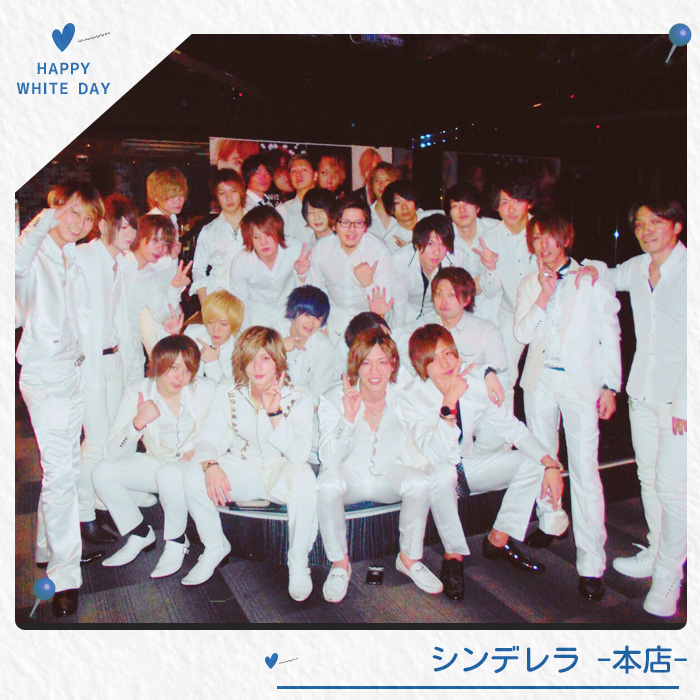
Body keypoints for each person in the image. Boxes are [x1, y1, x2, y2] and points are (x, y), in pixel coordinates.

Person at [402, 325, 567, 598]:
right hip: (430, 474)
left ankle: (498, 539)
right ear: (422, 366)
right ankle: (453, 555)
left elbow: (513, 429)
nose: (445, 363)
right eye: (434, 358)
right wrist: (449, 402)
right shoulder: (411, 398)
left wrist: (550, 463)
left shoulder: (476, 385)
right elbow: (436, 455)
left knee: (532, 462)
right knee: (443, 472)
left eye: (448, 354)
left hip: (465, 467)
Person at [514, 213, 622, 601]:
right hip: (540, 380)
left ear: (565, 239)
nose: (542, 246)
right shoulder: (529, 283)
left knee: (584, 469)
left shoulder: (590, 278)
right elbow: (521, 333)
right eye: (536, 238)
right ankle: (551, 520)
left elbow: (610, 334)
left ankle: (592, 562)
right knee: (543, 457)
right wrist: (542, 296)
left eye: (550, 237)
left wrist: (610, 386)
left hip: (580, 384)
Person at [16, 182, 104, 616]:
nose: (80, 223)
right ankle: (65, 575)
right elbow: (14, 265)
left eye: (87, 217)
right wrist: (40, 223)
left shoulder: (71, 257)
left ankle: (46, 545)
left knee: (64, 466)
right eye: (72, 212)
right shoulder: (33, 255)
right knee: (61, 476)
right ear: (53, 210)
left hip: (73, 373)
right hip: (46, 378)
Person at [184, 327, 318, 600]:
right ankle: (215, 546)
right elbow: (208, 437)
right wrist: (211, 465)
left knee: (305, 477)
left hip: (282, 469)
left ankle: (297, 560)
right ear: (241, 361)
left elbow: (299, 455)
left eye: (266, 359)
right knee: (194, 474)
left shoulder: (300, 397)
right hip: (243, 465)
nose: (257, 367)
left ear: (278, 361)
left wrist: (275, 413)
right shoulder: (228, 392)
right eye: (251, 359)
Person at [601, 198, 686, 617]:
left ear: (677, 226)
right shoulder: (638, 268)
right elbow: (607, 275)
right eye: (639, 223)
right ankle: (656, 549)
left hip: (680, 401)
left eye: (655, 221)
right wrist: (581, 269)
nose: (646, 229)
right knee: (648, 478)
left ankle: (671, 574)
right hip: (643, 392)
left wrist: (686, 401)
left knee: (674, 489)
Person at [317, 328, 443, 603]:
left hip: (387, 473)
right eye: (366, 363)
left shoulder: (403, 396)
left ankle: (409, 558)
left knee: (419, 482)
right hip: (349, 475)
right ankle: (340, 563)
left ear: (393, 364)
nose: (375, 372)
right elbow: (329, 460)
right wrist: (348, 419)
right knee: (326, 483)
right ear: (355, 365)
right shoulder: (332, 397)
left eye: (382, 362)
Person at [92, 336, 216, 578]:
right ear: (159, 364)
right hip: (159, 462)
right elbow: (110, 453)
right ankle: (140, 533)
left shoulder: (205, 389)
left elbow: (227, 429)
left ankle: (177, 541)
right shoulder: (137, 392)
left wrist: (201, 451)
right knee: (102, 473)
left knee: (169, 474)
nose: (180, 377)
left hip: (193, 467)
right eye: (174, 368)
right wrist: (137, 424)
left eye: (188, 370)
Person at [74, 195, 139, 547]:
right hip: (88, 363)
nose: (129, 233)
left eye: (132, 227)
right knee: (96, 441)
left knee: (112, 439)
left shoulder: (123, 263)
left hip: (114, 359)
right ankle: (83, 517)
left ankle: (101, 506)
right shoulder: (83, 257)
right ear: (102, 225)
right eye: (121, 226)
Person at [477, 175, 539, 393]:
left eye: (518, 201)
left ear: (529, 203)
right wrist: (490, 268)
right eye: (504, 202)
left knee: (543, 379)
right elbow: (490, 291)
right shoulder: (489, 238)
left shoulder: (543, 230)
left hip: (545, 314)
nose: (511, 209)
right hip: (510, 314)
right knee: (503, 374)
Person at [306, 196, 393, 344]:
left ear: (365, 226)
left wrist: (368, 283)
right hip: (332, 321)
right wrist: (322, 327)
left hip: (368, 322)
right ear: (334, 225)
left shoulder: (379, 251)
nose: (352, 230)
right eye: (345, 223)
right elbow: (314, 292)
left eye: (358, 223)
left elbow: (383, 305)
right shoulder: (321, 249)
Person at [122, 215, 190, 383]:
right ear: (139, 236)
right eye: (155, 240)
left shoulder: (151, 275)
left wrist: (174, 287)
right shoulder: (119, 263)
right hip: (108, 349)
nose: (161, 248)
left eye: (165, 243)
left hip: (133, 351)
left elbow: (159, 313)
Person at [229, 206, 309, 331]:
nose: (263, 242)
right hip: (256, 315)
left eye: (268, 234)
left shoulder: (295, 248)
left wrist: (302, 275)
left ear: (278, 231)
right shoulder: (241, 263)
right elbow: (240, 303)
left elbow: (309, 289)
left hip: (290, 311)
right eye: (256, 237)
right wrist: (249, 333)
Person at [282, 286, 335, 462]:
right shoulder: (273, 333)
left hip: (305, 410)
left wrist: (296, 420)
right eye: (306, 314)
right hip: (273, 403)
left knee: (317, 444)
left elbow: (317, 393)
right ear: (293, 311)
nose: (311, 323)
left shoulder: (324, 347)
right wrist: (277, 348)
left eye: (318, 318)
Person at [390, 213, 465, 327]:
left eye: (442, 245)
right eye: (430, 244)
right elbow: (399, 304)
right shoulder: (400, 261)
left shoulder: (456, 258)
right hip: (408, 313)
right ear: (417, 244)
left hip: (438, 314)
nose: (437, 252)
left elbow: (455, 299)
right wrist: (398, 333)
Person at [444, 183, 500, 324]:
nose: (462, 210)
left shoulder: (496, 230)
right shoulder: (444, 237)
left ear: (478, 208)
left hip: (496, 311)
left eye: (467, 204)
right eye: (455, 206)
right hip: (459, 313)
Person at [191, 169, 246, 305]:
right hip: (219, 300)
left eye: (233, 191)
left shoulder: (256, 224)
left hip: (251, 300)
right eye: (222, 193)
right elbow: (198, 270)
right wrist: (205, 302)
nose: (229, 198)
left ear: (241, 192)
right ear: (216, 198)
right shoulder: (209, 231)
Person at [182, 289, 245, 382]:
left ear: (234, 324)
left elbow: (229, 388)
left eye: (223, 324)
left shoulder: (240, 350)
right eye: (210, 322)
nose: (215, 330)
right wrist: (171, 336)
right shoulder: (192, 333)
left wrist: (212, 364)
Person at [380, 179, 443, 252]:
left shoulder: (437, 219)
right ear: (390, 209)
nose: (404, 207)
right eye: (397, 203)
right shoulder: (390, 241)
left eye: (408, 200)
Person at [276, 153, 318, 245]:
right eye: (294, 171)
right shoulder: (282, 211)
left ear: (315, 175)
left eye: (304, 170)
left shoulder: (328, 206)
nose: (298, 174)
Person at [366, 162, 401, 241]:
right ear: (372, 185)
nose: (382, 185)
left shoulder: (406, 212)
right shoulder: (365, 215)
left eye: (387, 180)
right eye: (377, 180)